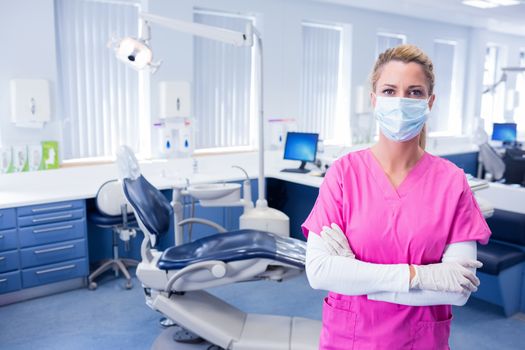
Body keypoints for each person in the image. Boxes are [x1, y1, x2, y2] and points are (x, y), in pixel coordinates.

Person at [301, 44, 491, 350]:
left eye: (414, 92)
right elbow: (320, 271)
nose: (401, 101)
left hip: (421, 342)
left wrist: (361, 280)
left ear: (430, 102)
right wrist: (418, 275)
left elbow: (457, 290)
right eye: (390, 90)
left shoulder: (452, 182)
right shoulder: (343, 174)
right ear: (374, 99)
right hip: (348, 340)